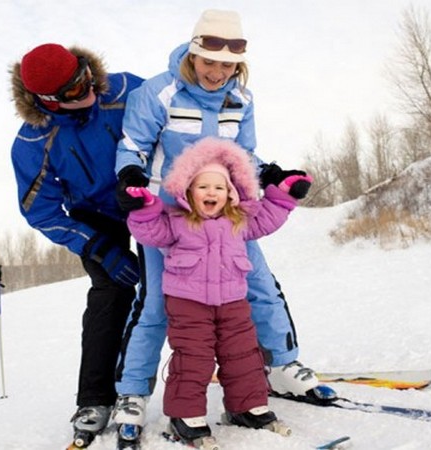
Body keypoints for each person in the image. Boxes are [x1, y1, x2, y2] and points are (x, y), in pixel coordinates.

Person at [111, 9, 334, 444]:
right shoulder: (158, 92)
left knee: (261, 289)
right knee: (156, 303)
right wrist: (130, 181)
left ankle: (281, 366)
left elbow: (245, 154)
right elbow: (133, 146)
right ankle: (133, 392)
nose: (217, 72)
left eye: (227, 65)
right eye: (209, 61)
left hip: (225, 215)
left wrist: (269, 176)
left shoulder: (241, 99)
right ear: (193, 54)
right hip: (170, 218)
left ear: (239, 64)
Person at [124, 137, 307, 444]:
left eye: (219, 188)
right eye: (204, 186)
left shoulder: (239, 221)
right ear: (188, 191)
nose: (212, 192)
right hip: (188, 303)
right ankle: (184, 415)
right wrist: (142, 208)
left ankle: (247, 406)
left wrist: (285, 194)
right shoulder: (176, 221)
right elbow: (148, 231)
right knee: (194, 357)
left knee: (243, 354)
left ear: (230, 193)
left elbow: (269, 217)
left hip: (233, 301)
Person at [9, 43, 143, 445]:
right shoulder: (34, 141)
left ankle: (256, 364)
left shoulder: (124, 92)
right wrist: (95, 245)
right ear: (46, 100)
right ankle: (96, 398)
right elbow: (41, 211)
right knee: (111, 289)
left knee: (178, 282)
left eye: (85, 78)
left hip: (144, 195)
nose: (87, 91)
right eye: (72, 91)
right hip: (95, 216)